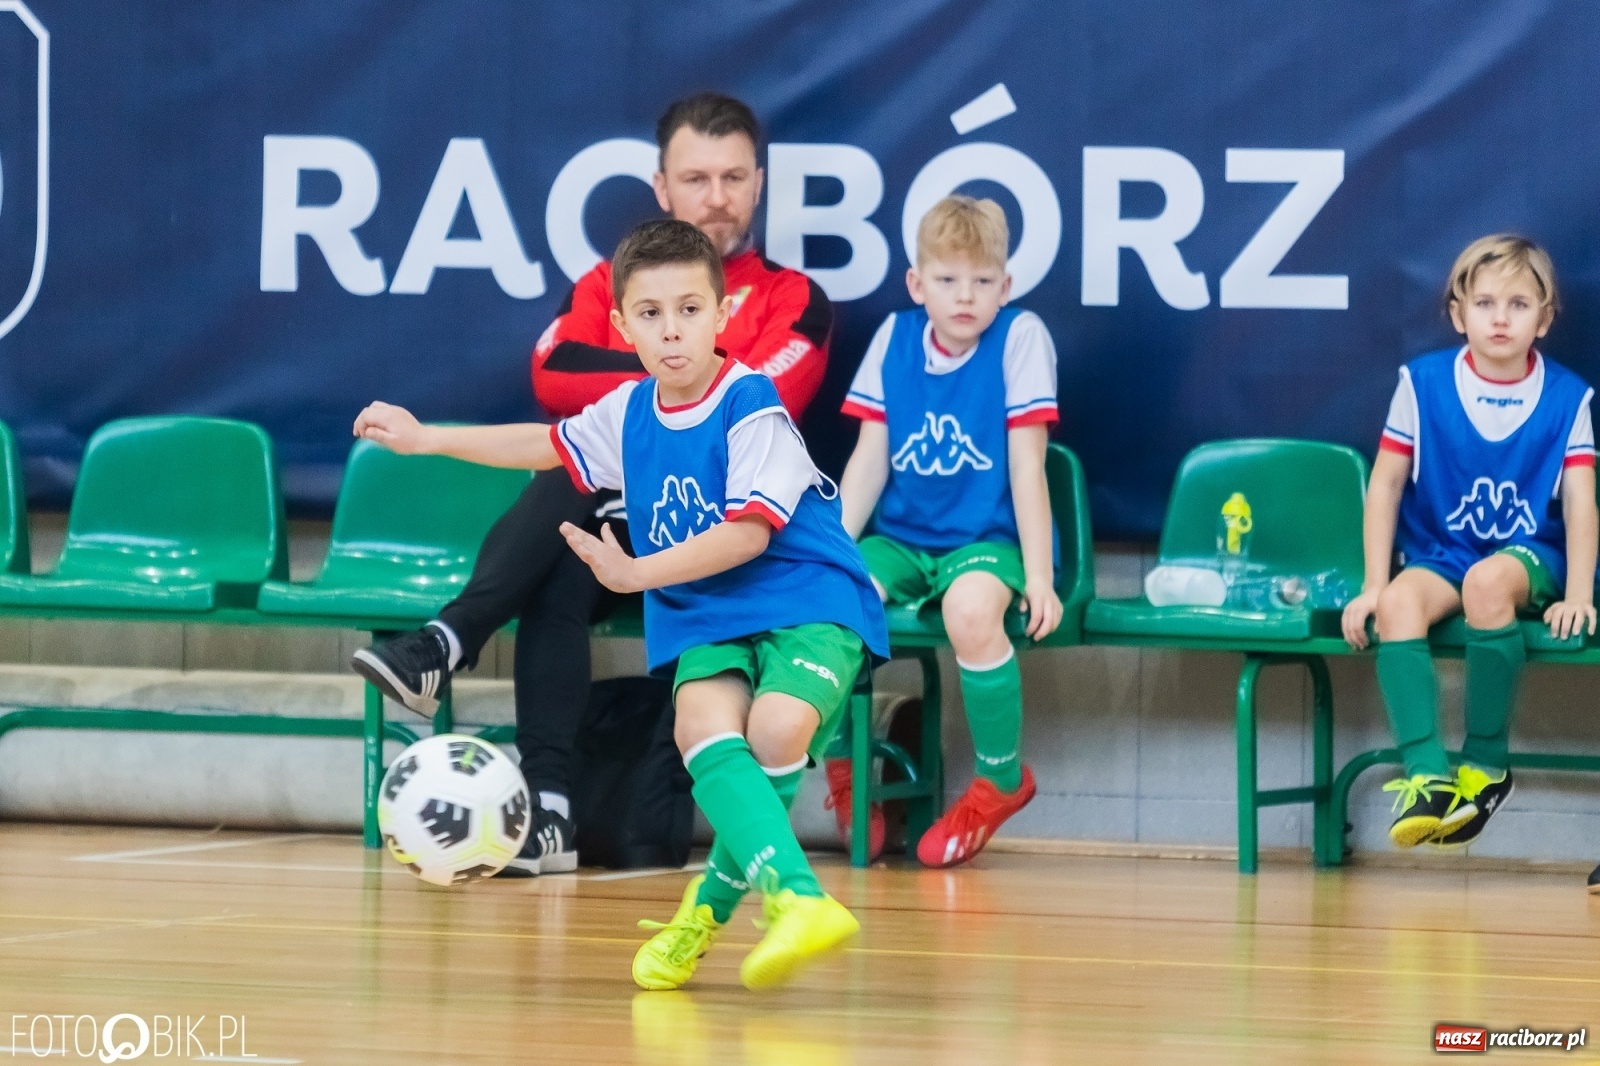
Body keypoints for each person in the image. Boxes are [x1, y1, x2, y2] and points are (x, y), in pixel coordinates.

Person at [353, 219, 887, 993]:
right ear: (621, 323)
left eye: (690, 310)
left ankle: (708, 912)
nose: (672, 332)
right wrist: (427, 438)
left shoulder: (752, 403)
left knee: (776, 729)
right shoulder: (628, 411)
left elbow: (744, 536)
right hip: (708, 614)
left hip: (806, 597)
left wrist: (634, 573)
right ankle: (795, 900)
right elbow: (543, 445)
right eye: (651, 314)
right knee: (700, 727)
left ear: (722, 315)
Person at [350, 93, 831, 877]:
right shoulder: (612, 283)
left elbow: (772, 391)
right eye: (697, 177)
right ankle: (550, 815)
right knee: (564, 540)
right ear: (662, 185)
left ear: (758, 183)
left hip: (729, 548)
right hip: (632, 525)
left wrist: (661, 365)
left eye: (734, 177)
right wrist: (427, 436)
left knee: (580, 478)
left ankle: (447, 641)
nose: (717, 196)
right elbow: (551, 381)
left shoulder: (792, 298)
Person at [1342, 234, 1597, 850]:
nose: (1500, 317)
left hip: (1531, 556)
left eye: (1518, 303)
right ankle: (1429, 774)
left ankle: (1485, 765)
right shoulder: (1423, 382)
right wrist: (1375, 583)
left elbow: (1582, 501)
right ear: (1458, 315)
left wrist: (1581, 593)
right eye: (1484, 303)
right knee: (1400, 605)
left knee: (1488, 584)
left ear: (1545, 317)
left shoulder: (1568, 397)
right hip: (1441, 554)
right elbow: (1386, 484)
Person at [832, 195, 1062, 867]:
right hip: (900, 540)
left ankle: (1000, 778)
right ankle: (850, 774)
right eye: (948, 280)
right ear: (916, 283)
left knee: (968, 612)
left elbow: (1028, 467)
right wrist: (836, 558)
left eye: (983, 281)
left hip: (982, 544)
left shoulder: (1020, 338)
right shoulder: (893, 338)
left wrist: (1041, 576)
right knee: (840, 606)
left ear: (1006, 286)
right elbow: (869, 461)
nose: (966, 297)